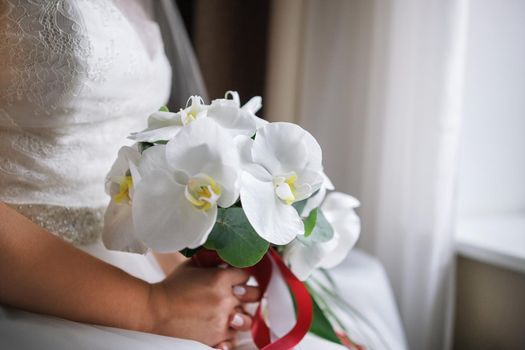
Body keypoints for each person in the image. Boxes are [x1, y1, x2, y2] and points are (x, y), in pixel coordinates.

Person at [0, 1, 407, 349]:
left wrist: (198, 289)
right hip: (30, 281)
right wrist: (151, 309)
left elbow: (131, 176)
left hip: (130, 262)